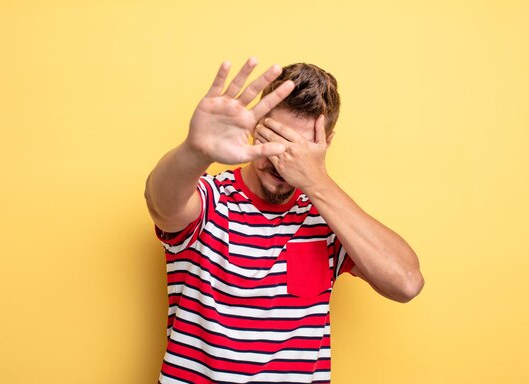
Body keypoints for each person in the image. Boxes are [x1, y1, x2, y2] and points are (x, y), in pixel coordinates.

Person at [145, 57, 424, 384]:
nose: (281, 161)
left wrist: (317, 182)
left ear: (326, 145)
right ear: (254, 126)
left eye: (299, 148)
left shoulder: (329, 219)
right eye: (274, 138)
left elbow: (406, 282)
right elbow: (161, 203)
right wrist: (195, 151)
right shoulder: (211, 199)